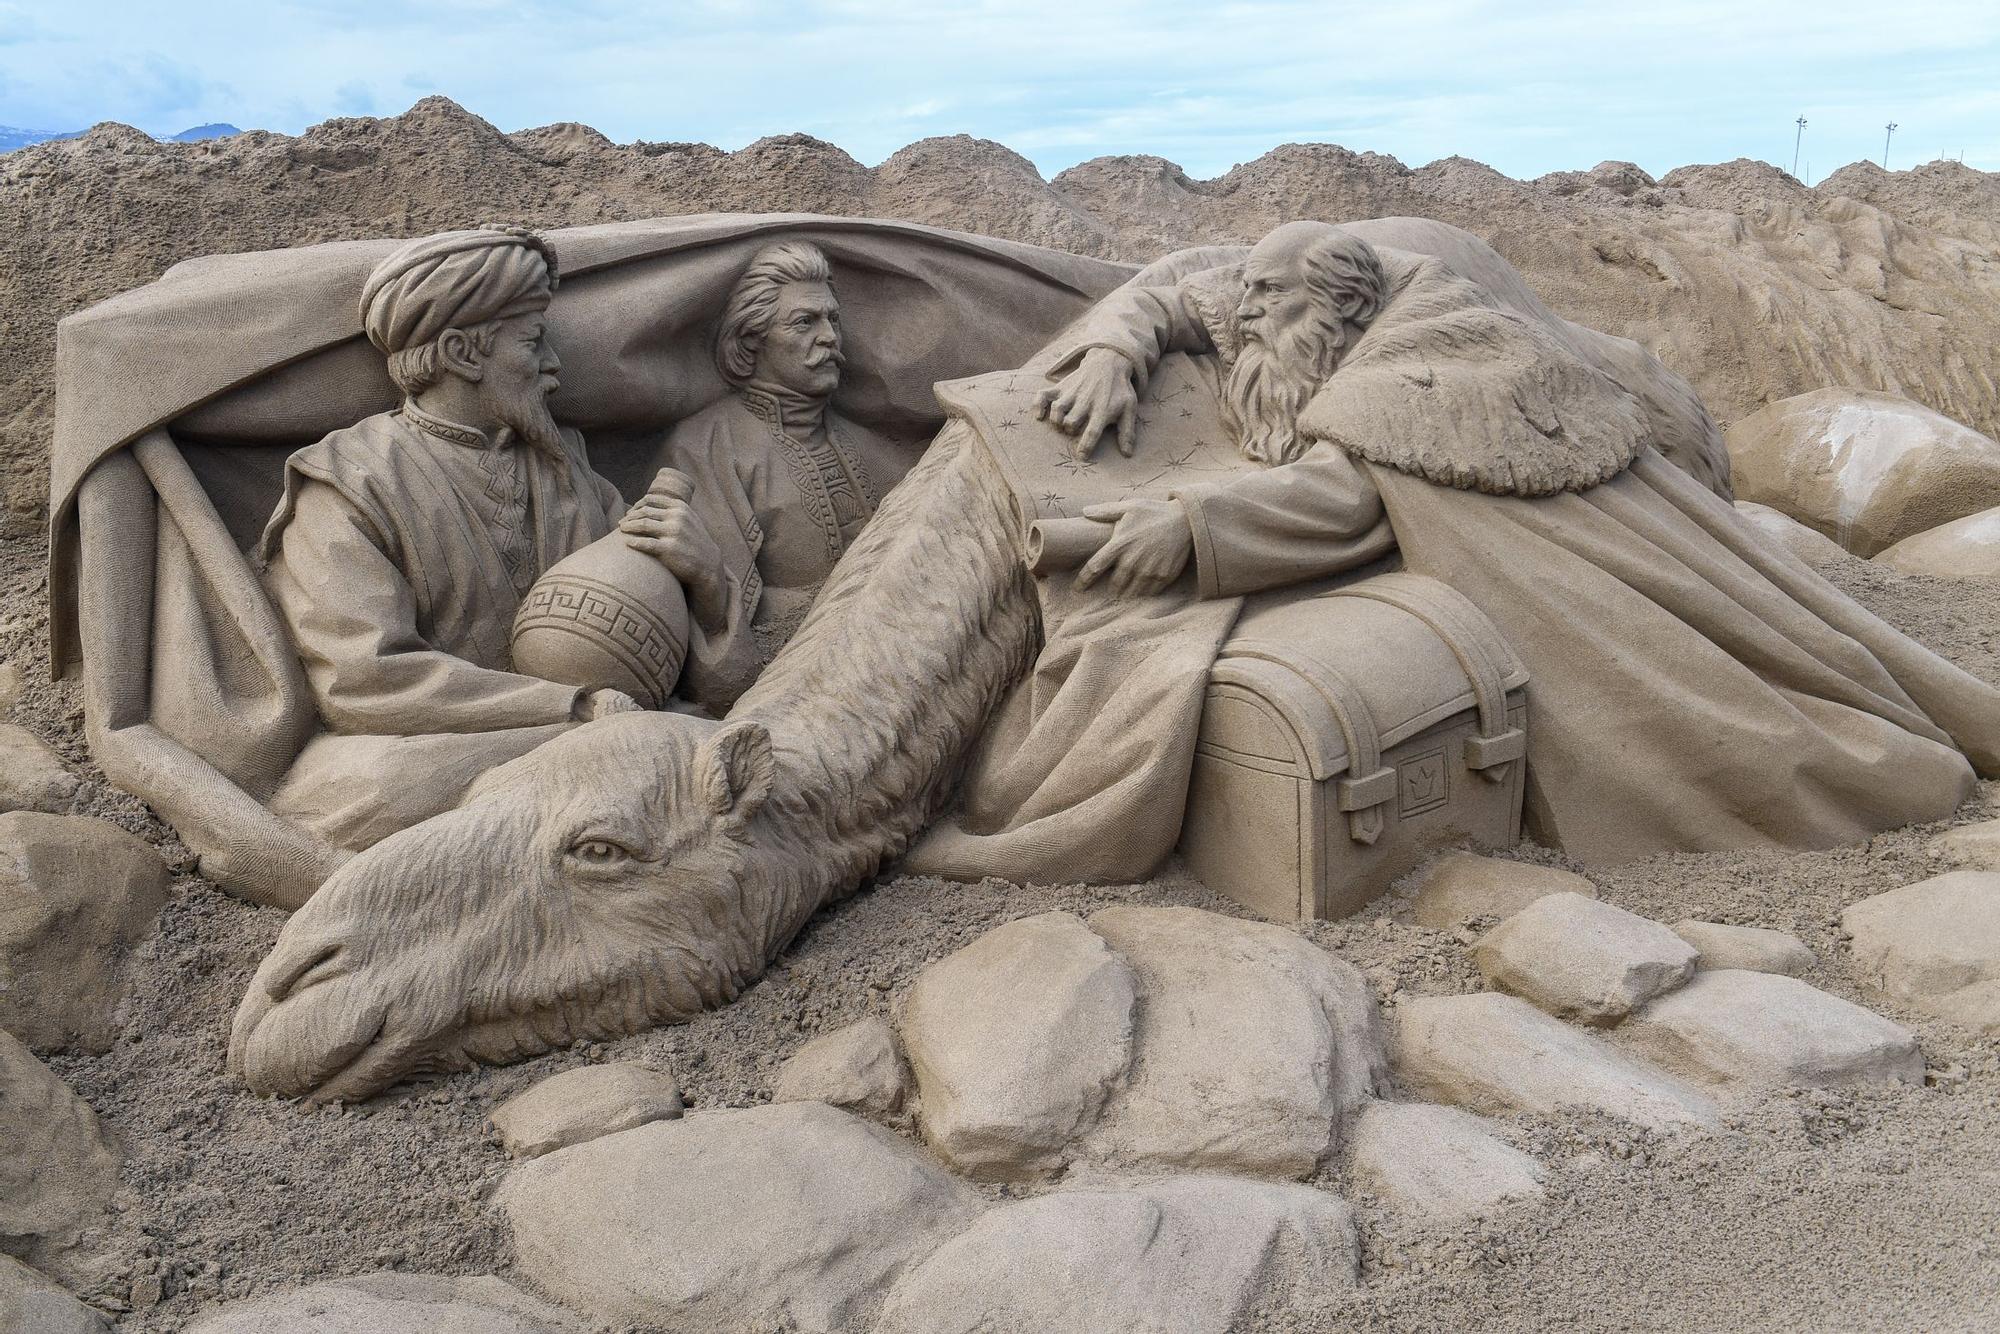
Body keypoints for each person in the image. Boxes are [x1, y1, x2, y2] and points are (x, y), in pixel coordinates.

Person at [927, 220, 2000, 871]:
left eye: (1266, 317)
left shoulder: (1428, 360)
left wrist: (1190, 526)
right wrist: (1120, 337)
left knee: (1744, 722)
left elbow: (1343, 502)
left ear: (1335, 311)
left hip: (1591, 582)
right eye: (1244, 312)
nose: (1242, 334)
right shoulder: (1332, 305)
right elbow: (1190, 298)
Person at [256, 224, 751, 849]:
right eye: (535, 341)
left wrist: (702, 580)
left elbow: (678, 658)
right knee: (365, 788)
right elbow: (363, 679)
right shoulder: (346, 482)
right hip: (446, 747)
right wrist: (570, 708)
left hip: (599, 729)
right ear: (464, 354)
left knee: (691, 746)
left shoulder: (567, 470)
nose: (553, 365)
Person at [655, 241, 913, 672]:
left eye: (833, 319)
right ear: (751, 340)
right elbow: (715, 625)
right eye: (805, 322)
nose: (829, 336)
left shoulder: (874, 451)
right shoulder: (704, 448)